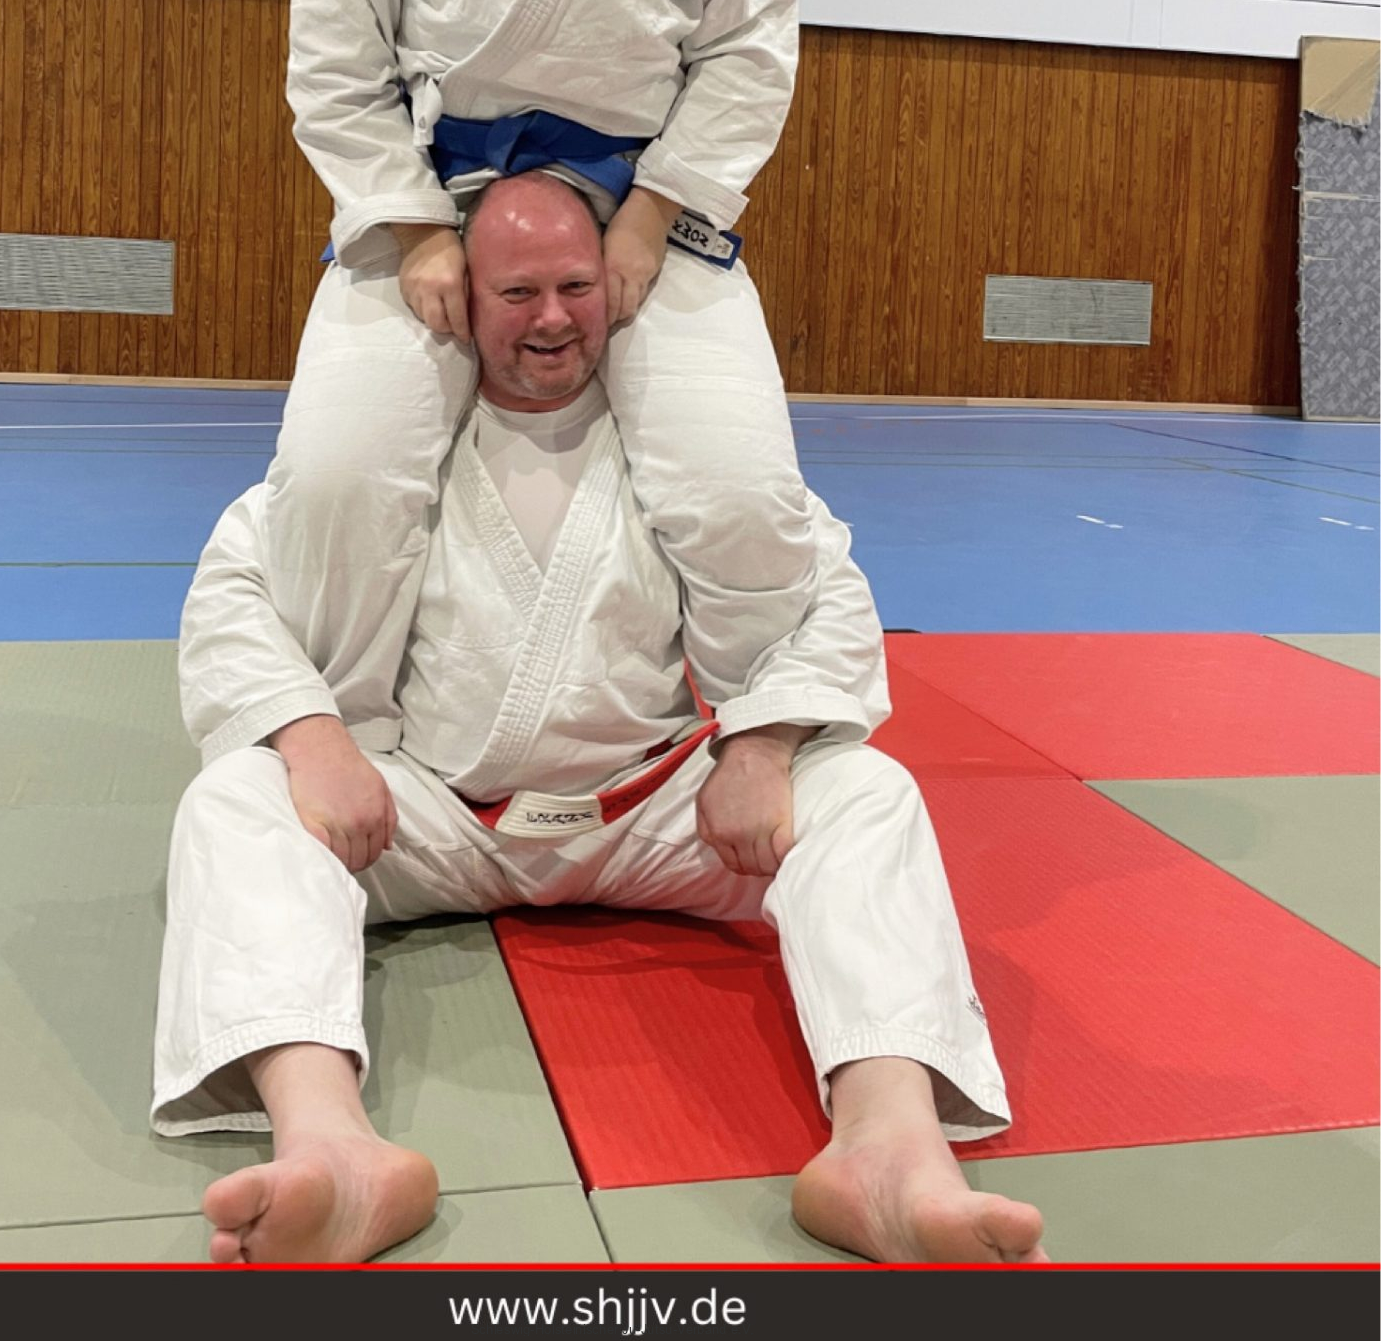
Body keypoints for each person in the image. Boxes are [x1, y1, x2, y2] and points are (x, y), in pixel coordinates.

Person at [154, 173, 1046, 1267]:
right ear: (459, 296)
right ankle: (330, 1148)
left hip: (653, 814)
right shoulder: (386, 451)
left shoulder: (683, 448)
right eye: (516, 291)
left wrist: (758, 744)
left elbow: (827, 592)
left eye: (576, 286)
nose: (552, 318)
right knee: (237, 795)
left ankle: (886, 1149)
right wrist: (315, 738)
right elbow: (236, 588)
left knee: (866, 790)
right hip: (426, 818)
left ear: (615, 287)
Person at [264, 0, 818, 775]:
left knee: (736, 485)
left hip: (642, 207)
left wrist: (656, 211)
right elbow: (333, 70)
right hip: (440, 206)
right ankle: (337, 739)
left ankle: (768, 740)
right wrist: (416, 231)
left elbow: (750, 35)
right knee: (336, 476)